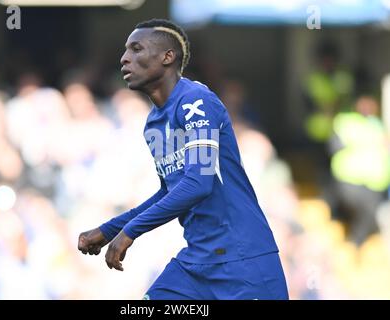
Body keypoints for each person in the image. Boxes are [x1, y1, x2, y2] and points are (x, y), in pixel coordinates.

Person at [78, 18, 288, 300]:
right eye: (125, 51)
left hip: (242, 263)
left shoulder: (195, 101)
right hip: (195, 266)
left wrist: (130, 232)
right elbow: (172, 191)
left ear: (167, 56)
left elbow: (199, 183)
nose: (124, 58)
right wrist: (109, 229)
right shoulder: (153, 124)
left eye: (136, 49)